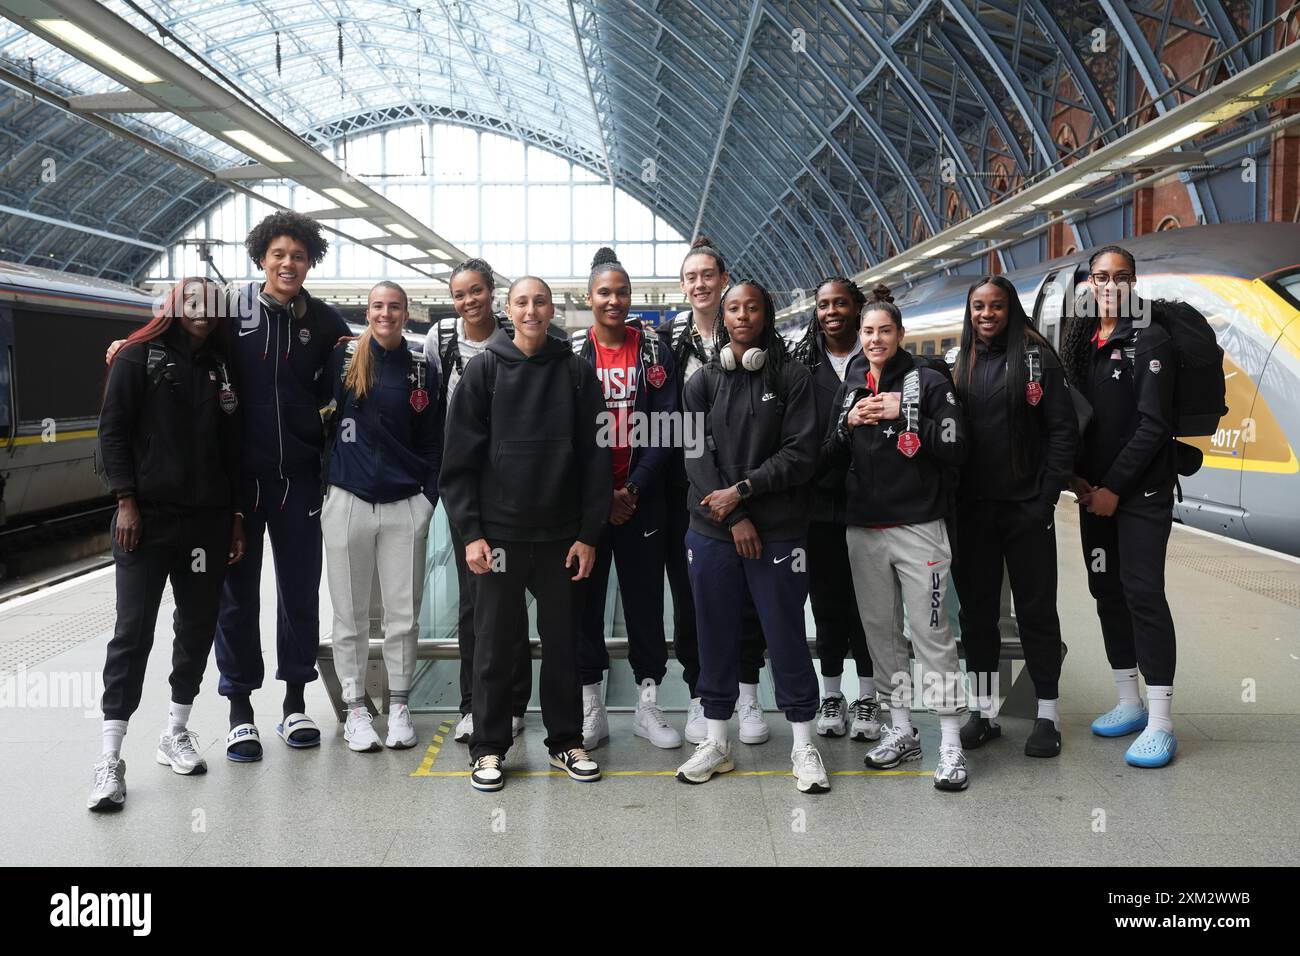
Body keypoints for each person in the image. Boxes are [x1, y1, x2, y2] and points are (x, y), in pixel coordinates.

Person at [439, 276, 611, 792]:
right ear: (506, 309)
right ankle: (489, 749)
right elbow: (458, 463)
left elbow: (596, 462)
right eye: (521, 302)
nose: (531, 310)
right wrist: (471, 532)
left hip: (561, 538)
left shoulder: (578, 374)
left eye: (540, 301)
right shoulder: (483, 371)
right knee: (494, 645)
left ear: (552, 307)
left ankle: (565, 741)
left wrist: (588, 534)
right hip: (500, 538)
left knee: (563, 645)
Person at [89, 277, 245, 811]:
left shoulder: (221, 365)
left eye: (211, 302)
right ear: (175, 305)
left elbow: (234, 448)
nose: (202, 311)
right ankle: (110, 757)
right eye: (192, 300)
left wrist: (236, 518)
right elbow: (111, 432)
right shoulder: (137, 357)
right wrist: (125, 500)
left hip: (206, 522)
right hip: (146, 521)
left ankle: (176, 729)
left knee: (197, 625)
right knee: (132, 631)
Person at [675, 280, 829, 793]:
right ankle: (716, 742)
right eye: (733, 308)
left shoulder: (792, 377)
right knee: (714, 633)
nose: (742, 316)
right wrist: (732, 515)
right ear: (723, 317)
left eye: (753, 307)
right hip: (714, 531)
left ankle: (804, 744)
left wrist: (742, 492)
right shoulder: (704, 381)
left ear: (766, 316)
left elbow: (801, 454)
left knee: (784, 634)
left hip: (780, 532)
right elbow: (695, 457)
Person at [824, 285, 971, 791]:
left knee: (931, 633)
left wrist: (904, 416)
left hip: (918, 528)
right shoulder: (851, 381)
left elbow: (956, 444)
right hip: (864, 528)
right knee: (881, 634)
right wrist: (848, 422)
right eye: (868, 332)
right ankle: (902, 728)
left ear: (900, 334)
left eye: (884, 330)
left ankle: (950, 741)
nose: (875, 339)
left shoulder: (928, 381)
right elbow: (828, 450)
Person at [1061, 245, 1179, 768]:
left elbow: (1154, 425)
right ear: (1089, 283)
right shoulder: (1084, 340)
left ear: (1134, 282)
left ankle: (1161, 719)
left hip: (1142, 494)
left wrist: (1114, 487)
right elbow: (1078, 417)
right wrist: (1078, 478)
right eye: (1101, 277)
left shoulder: (1148, 337)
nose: (1110, 286)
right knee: (1106, 590)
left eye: (1121, 277)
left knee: (1143, 594)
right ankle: (1128, 701)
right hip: (1094, 495)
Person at [950, 276, 1077, 758]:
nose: (986, 314)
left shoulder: (1037, 359)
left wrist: (1044, 500)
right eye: (978, 306)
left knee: (1036, 612)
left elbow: (1063, 432)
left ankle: (1048, 714)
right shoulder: (961, 363)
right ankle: (982, 712)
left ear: (1011, 309)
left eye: (995, 306)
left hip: (1026, 510)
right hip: (974, 513)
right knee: (976, 615)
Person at [322, 281, 441, 752]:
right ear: (367, 311)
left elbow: (434, 438)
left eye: (394, 307)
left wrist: (426, 500)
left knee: (403, 615)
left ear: (406, 312)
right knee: (348, 615)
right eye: (377, 306)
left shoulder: (419, 368)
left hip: (403, 504)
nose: (385, 314)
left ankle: (399, 706)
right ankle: (355, 708)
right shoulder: (343, 359)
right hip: (347, 499)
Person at [661, 236, 770, 745]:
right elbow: (673, 426)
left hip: (749, 492)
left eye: (709, 275)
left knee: (749, 600)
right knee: (693, 602)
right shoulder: (668, 344)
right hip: (693, 495)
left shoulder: (763, 345)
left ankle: (748, 693)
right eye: (692, 277)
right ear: (684, 287)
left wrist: (744, 490)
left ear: (724, 281)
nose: (700, 284)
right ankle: (702, 695)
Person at [571, 248, 680, 749]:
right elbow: (566, 434)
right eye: (604, 293)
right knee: (585, 605)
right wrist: (599, 497)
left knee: (643, 605)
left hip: (642, 502)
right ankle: (592, 708)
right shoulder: (574, 353)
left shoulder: (655, 351)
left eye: (621, 292)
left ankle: (648, 706)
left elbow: (667, 427)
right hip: (588, 507)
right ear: (588, 298)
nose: (613, 300)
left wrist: (631, 488)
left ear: (630, 297)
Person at [423, 258, 531, 745]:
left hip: (509, 490)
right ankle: (472, 703)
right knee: (472, 603)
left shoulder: (515, 343)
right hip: (463, 486)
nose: (469, 301)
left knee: (511, 603)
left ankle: (514, 704)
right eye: (460, 294)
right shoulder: (441, 342)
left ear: (492, 293)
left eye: (477, 291)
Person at [791, 277, 880, 741]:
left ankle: (868, 696)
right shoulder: (802, 364)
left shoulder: (878, 361)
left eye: (840, 303)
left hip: (868, 504)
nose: (831, 312)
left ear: (857, 307)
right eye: (823, 304)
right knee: (826, 604)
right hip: (818, 505)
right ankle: (832, 693)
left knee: (867, 607)